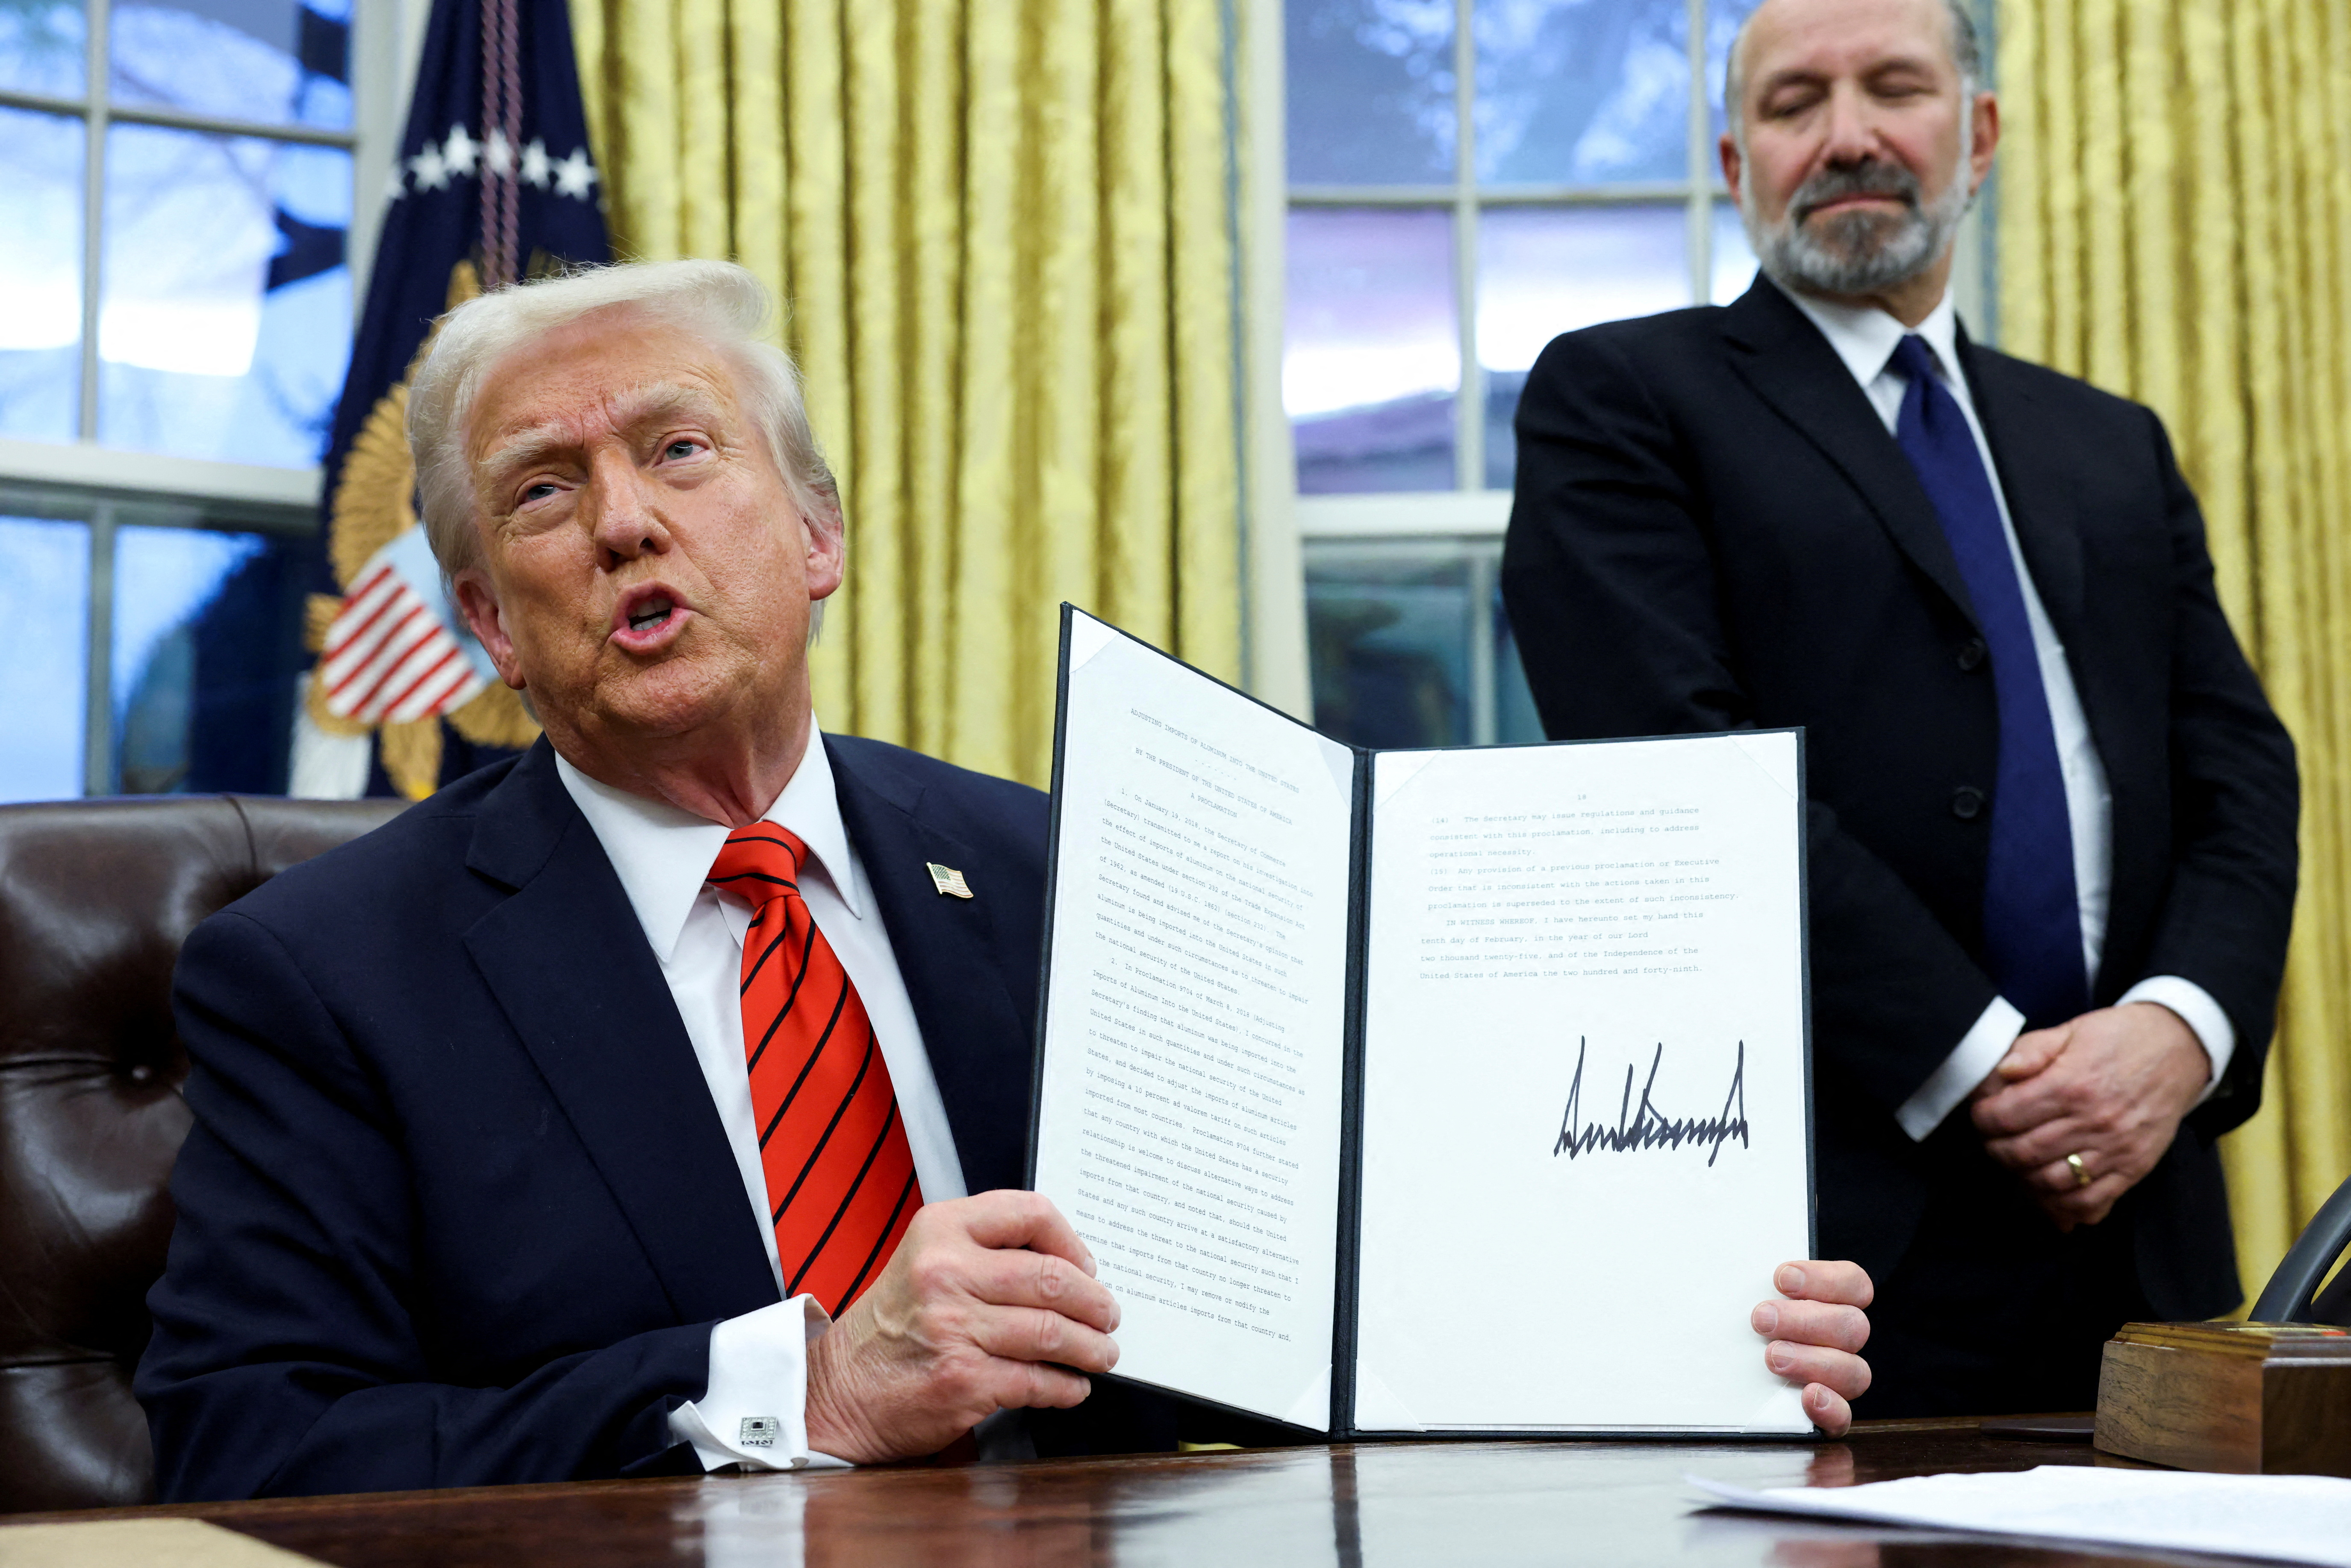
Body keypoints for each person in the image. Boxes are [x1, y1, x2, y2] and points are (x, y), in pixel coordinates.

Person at [137, 261, 1875, 1500]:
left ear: (813, 537)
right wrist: (797, 1387)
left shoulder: (1075, 867)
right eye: (542, 491)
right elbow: (254, 1445)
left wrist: (1669, 1329)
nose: (622, 522)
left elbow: (1316, 1317)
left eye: (678, 451)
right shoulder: (326, 969)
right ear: (496, 625)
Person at [1500, 0, 2298, 1417]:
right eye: (1797, 100)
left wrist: (2177, 1030)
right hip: (1837, 1255)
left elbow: (2237, 765)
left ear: (1975, 133)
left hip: (2145, 1234)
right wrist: (1994, 1067)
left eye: (1894, 87)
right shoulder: (1622, 398)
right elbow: (1685, 780)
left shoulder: (2106, 443)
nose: (1850, 133)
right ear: (1736, 158)